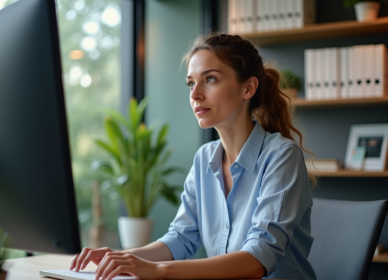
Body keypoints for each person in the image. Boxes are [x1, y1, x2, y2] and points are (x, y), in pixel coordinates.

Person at [70, 33, 316, 280]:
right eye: (191, 83)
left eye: (210, 79)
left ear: (248, 87)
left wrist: (157, 270)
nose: (195, 94)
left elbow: (257, 258)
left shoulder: (282, 157)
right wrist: (122, 258)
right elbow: (181, 238)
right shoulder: (204, 159)